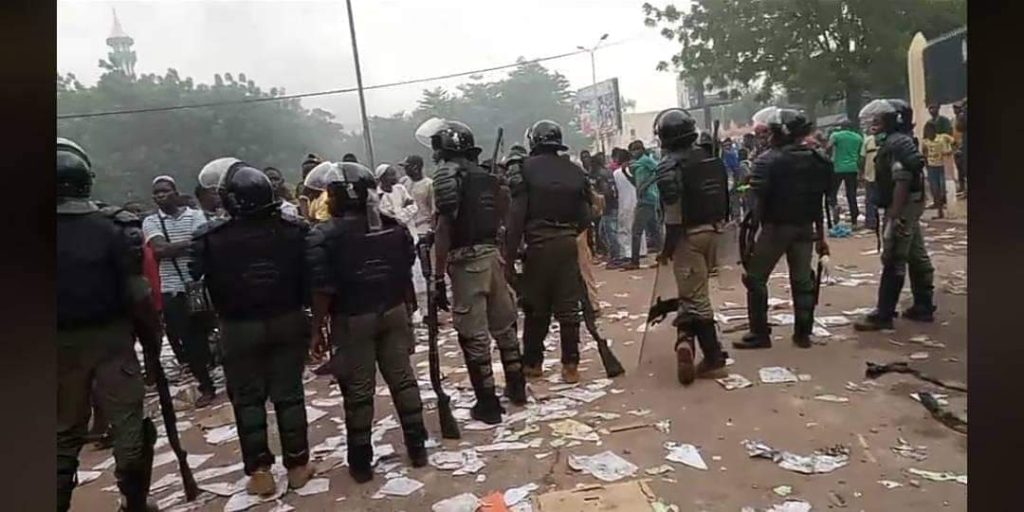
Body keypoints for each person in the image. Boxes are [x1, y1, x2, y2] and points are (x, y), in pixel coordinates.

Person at [189, 163, 314, 496]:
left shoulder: (211, 238)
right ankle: (298, 465)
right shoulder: (294, 230)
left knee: (247, 400)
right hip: (288, 319)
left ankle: (260, 471)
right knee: (289, 395)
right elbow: (309, 277)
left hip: (237, 326)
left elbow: (196, 277)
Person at [306, 162, 427, 483]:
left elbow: (322, 289)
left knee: (359, 391)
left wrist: (316, 329)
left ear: (335, 197)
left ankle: (361, 462)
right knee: (403, 380)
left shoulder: (323, 235)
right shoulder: (393, 227)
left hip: (352, 319)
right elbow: (404, 274)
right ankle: (418, 447)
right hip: (394, 311)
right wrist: (410, 312)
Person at [57, 138, 161, 511]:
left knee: (63, 434)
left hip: (57, 346)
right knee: (129, 426)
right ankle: (134, 502)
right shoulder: (114, 226)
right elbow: (138, 296)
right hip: (113, 340)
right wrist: (152, 343)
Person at [424, 119, 527, 425]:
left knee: (473, 335)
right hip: (493, 256)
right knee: (505, 326)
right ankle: (517, 387)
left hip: (466, 261)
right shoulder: (487, 176)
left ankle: (488, 403)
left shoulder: (446, 175)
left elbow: (444, 227)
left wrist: (438, 276)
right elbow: (503, 213)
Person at [732, 107, 832, 350]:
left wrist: (750, 237)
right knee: (802, 280)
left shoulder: (767, 160)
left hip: (776, 228)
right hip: (805, 227)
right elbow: (819, 199)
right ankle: (803, 333)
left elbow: (758, 202)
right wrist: (820, 236)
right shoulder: (818, 159)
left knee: (755, 278)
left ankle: (759, 334)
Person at [506, 120, 592, 384]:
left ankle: (532, 363)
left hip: (538, 245)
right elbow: (586, 217)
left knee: (536, 308)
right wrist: (566, 233)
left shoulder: (524, 170)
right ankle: (571, 366)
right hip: (567, 244)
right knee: (568, 309)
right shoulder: (576, 172)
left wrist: (509, 257)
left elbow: (516, 215)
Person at [651, 109, 731, 384]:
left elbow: (673, 218)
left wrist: (666, 250)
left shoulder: (669, 166)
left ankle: (713, 358)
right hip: (716, 232)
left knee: (695, 299)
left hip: (689, 237)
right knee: (694, 293)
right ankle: (685, 340)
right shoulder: (709, 157)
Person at [853, 99, 936, 331]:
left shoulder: (896, 144)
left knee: (894, 257)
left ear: (894, 119)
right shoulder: (901, 141)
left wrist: (893, 215)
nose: (874, 122)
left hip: (903, 206)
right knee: (916, 254)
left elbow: (902, 180)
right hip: (912, 205)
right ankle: (923, 306)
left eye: (880, 118)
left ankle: (884, 314)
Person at [142, 176, 218, 407]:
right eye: (156, 193)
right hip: (173, 289)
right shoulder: (151, 221)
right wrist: (188, 243)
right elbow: (159, 251)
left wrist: (173, 247)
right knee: (188, 339)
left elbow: (199, 244)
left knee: (210, 331)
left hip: (200, 284)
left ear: (176, 192)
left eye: (164, 191)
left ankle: (215, 369)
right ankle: (206, 385)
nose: (160, 196)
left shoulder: (195, 215)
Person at [623, 140, 662, 270]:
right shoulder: (637, 166)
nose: (633, 153)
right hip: (644, 198)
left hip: (647, 199)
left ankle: (635, 261)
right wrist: (625, 173)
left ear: (641, 149)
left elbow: (659, 171)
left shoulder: (646, 160)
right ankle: (663, 257)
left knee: (636, 231)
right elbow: (636, 184)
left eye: (635, 150)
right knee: (654, 231)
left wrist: (646, 184)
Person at [826, 121, 864, 227]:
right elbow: (861, 154)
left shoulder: (836, 135)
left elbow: (828, 147)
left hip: (837, 168)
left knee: (832, 192)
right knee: (851, 194)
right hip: (852, 168)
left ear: (841, 127)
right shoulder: (858, 137)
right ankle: (854, 220)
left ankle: (835, 206)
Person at [592, 153, 623, 268]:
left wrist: (599, 201)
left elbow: (606, 192)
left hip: (608, 207)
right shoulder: (609, 172)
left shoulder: (599, 174)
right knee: (603, 232)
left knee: (609, 233)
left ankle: (616, 258)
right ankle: (613, 255)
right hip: (613, 204)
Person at [920, 122, 955, 218]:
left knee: (943, 188)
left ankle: (947, 208)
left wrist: (951, 151)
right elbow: (924, 154)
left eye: (931, 131)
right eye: (927, 132)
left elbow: (954, 142)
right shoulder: (925, 142)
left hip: (943, 165)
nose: (929, 133)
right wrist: (926, 166)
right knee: (935, 190)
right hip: (932, 167)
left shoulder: (943, 137)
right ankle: (940, 211)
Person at [398, 155, 435, 238]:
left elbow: (433, 209)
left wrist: (431, 228)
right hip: (406, 227)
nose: (405, 170)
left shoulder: (429, 184)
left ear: (415, 168)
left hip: (423, 227)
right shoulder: (403, 181)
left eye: (407, 167)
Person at [611, 148, 636, 262]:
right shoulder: (633, 170)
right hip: (636, 201)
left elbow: (615, 190)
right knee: (636, 228)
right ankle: (640, 251)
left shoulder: (617, 173)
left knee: (624, 229)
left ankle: (627, 253)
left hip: (624, 202)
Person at [861, 124, 881, 231]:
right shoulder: (868, 140)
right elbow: (862, 158)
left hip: (877, 174)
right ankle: (872, 221)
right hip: (871, 174)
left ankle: (872, 221)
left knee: (870, 199)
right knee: (870, 199)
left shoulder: (869, 140)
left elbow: (862, 158)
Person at [952, 101, 967, 195]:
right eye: (954, 108)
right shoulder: (953, 120)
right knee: (959, 169)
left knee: (964, 169)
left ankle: (965, 189)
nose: (956, 109)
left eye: (957, 107)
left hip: (963, 146)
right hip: (955, 147)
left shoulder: (963, 119)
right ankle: (962, 188)